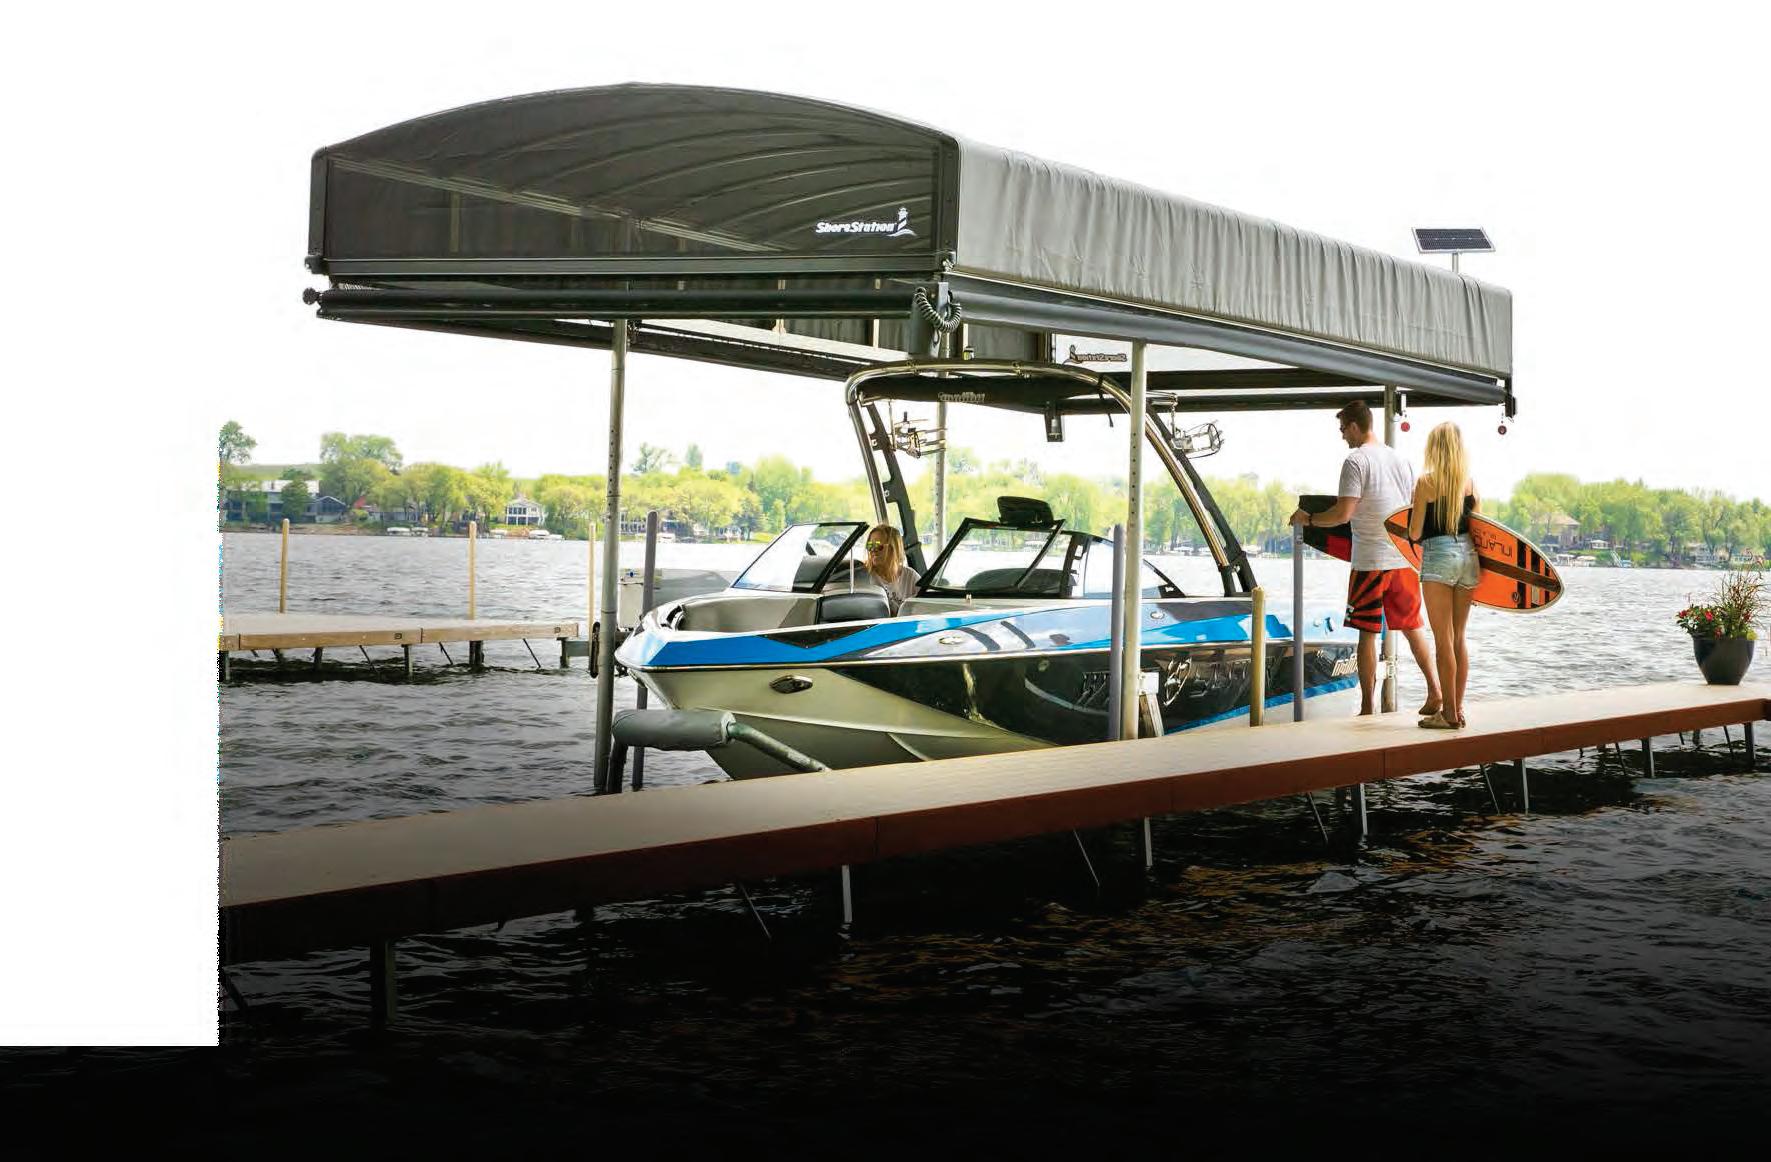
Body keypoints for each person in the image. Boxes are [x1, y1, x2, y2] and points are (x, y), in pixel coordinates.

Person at [1289, 401, 1442, 717]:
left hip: (1370, 561)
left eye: (1343, 429)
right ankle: (1435, 691)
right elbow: (1411, 508)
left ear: (1355, 426)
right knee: (1413, 628)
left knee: (1367, 634)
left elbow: (1343, 513)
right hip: (1402, 559)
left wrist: (1310, 519)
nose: (1342, 435)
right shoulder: (1401, 461)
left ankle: (1367, 707)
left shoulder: (1355, 461)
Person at [1407, 423, 1481, 730]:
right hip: (1470, 558)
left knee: (1443, 640)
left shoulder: (1426, 483)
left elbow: (1414, 533)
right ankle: (1457, 710)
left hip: (1439, 557)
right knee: (1459, 637)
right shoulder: (1470, 484)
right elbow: (1480, 529)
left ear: (1434, 449)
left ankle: (1448, 714)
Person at [831, 523, 919, 615]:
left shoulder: (911, 577)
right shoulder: (863, 576)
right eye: (870, 546)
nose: (873, 550)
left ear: (894, 548)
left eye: (878, 546)